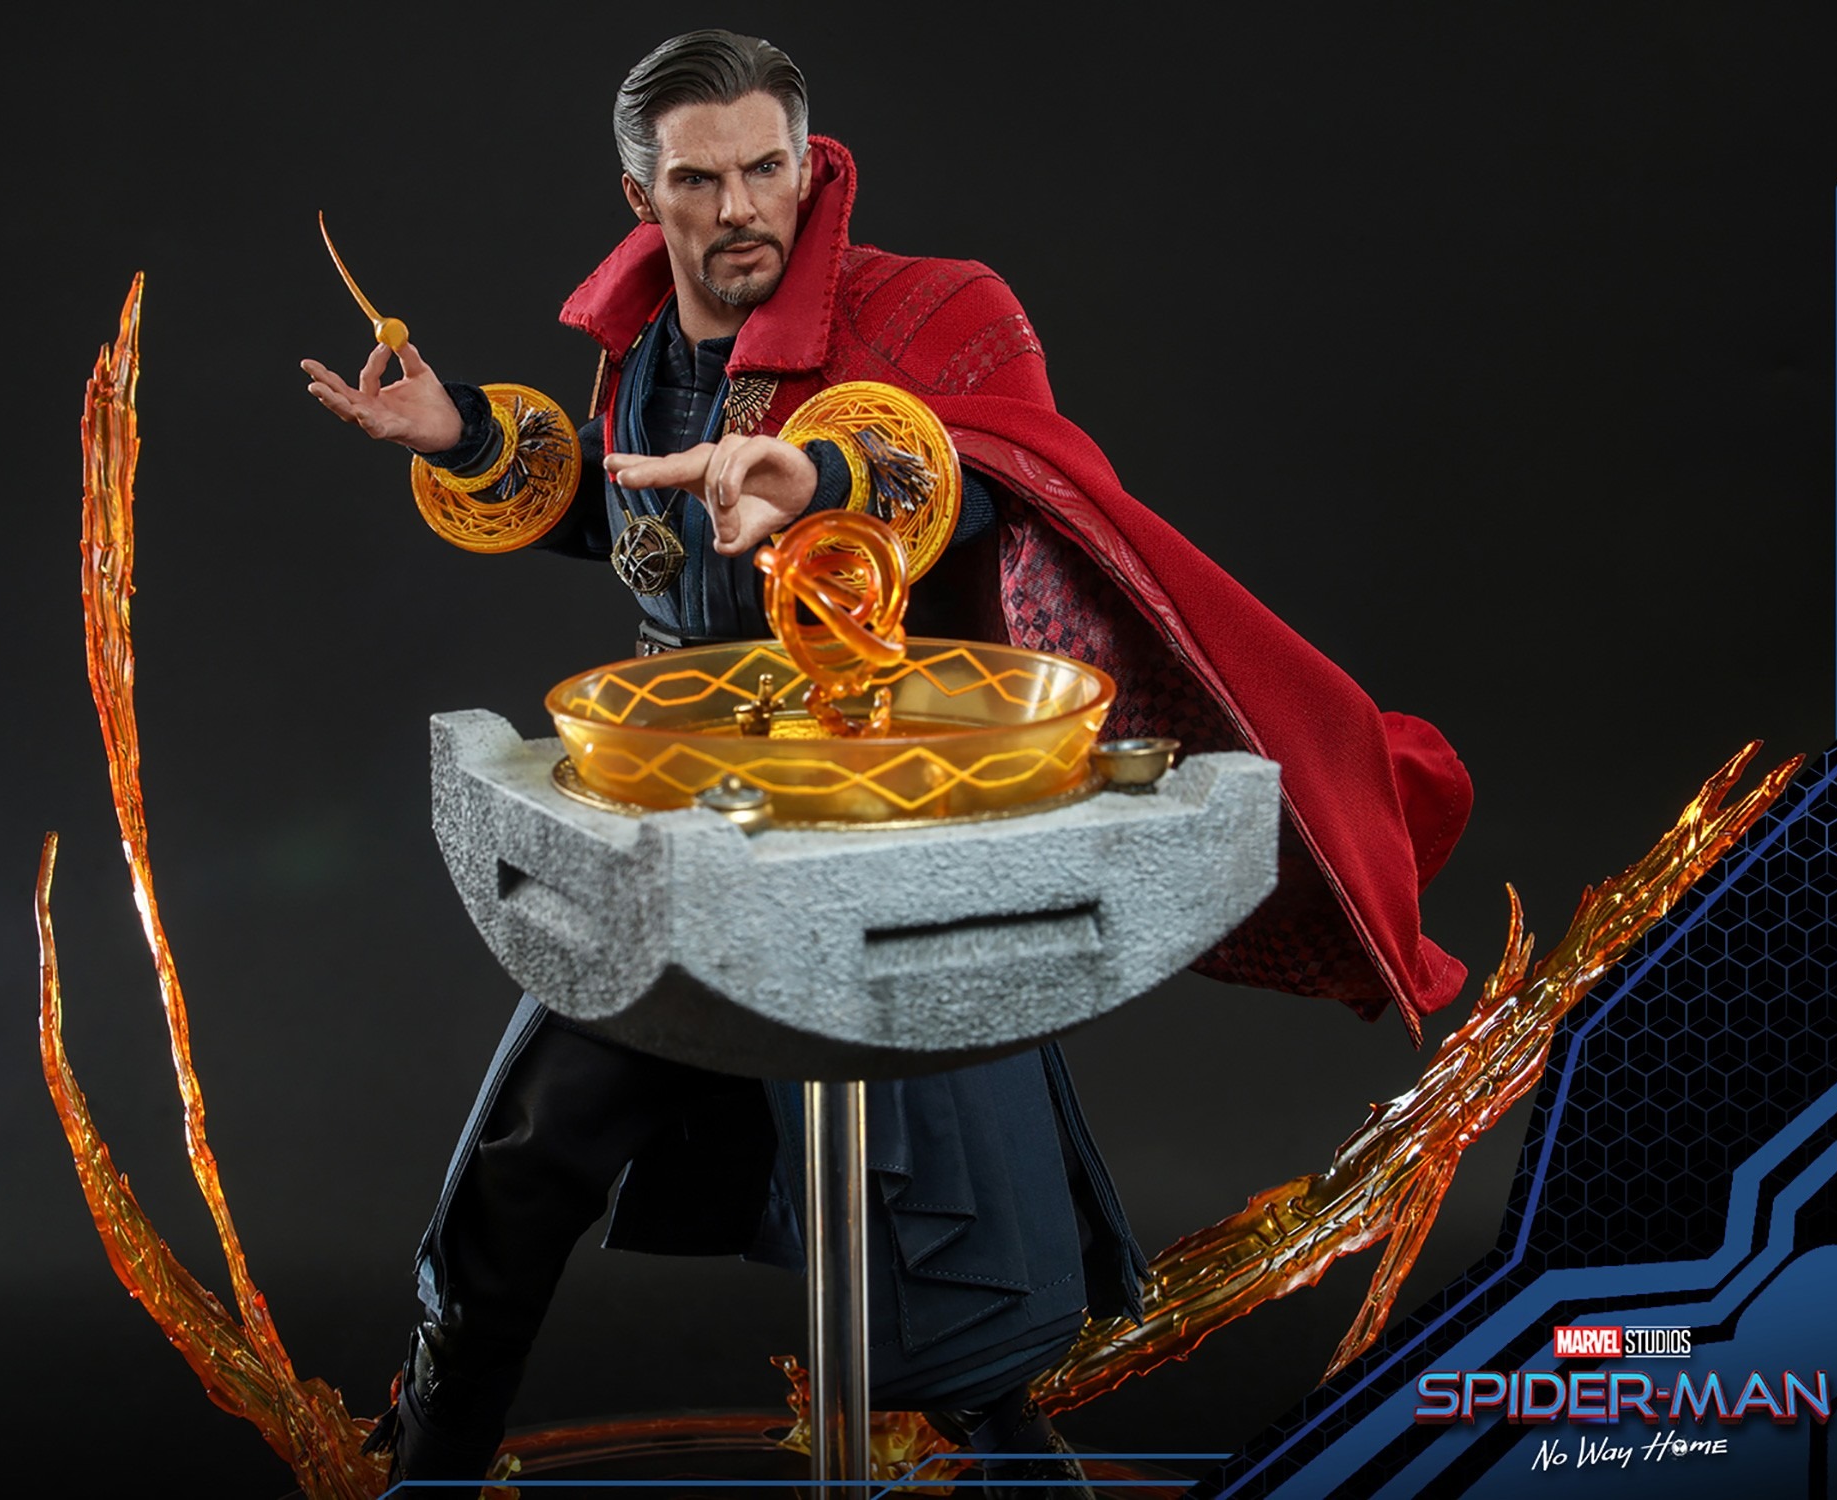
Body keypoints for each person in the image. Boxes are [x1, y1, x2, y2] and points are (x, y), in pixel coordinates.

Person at [301, 29, 1471, 1498]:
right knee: (521, 1168)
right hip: (686, 826)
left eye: (767, 169)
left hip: (879, 835)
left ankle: (1019, 1465)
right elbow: (639, 529)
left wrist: (821, 475)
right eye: (699, 180)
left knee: (939, 1259)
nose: (741, 208)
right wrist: (465, 434)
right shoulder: (646, 355)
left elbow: (973, 475)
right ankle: (427, 1474)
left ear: (809, 163)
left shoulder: (928, 313)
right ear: (641, 194)